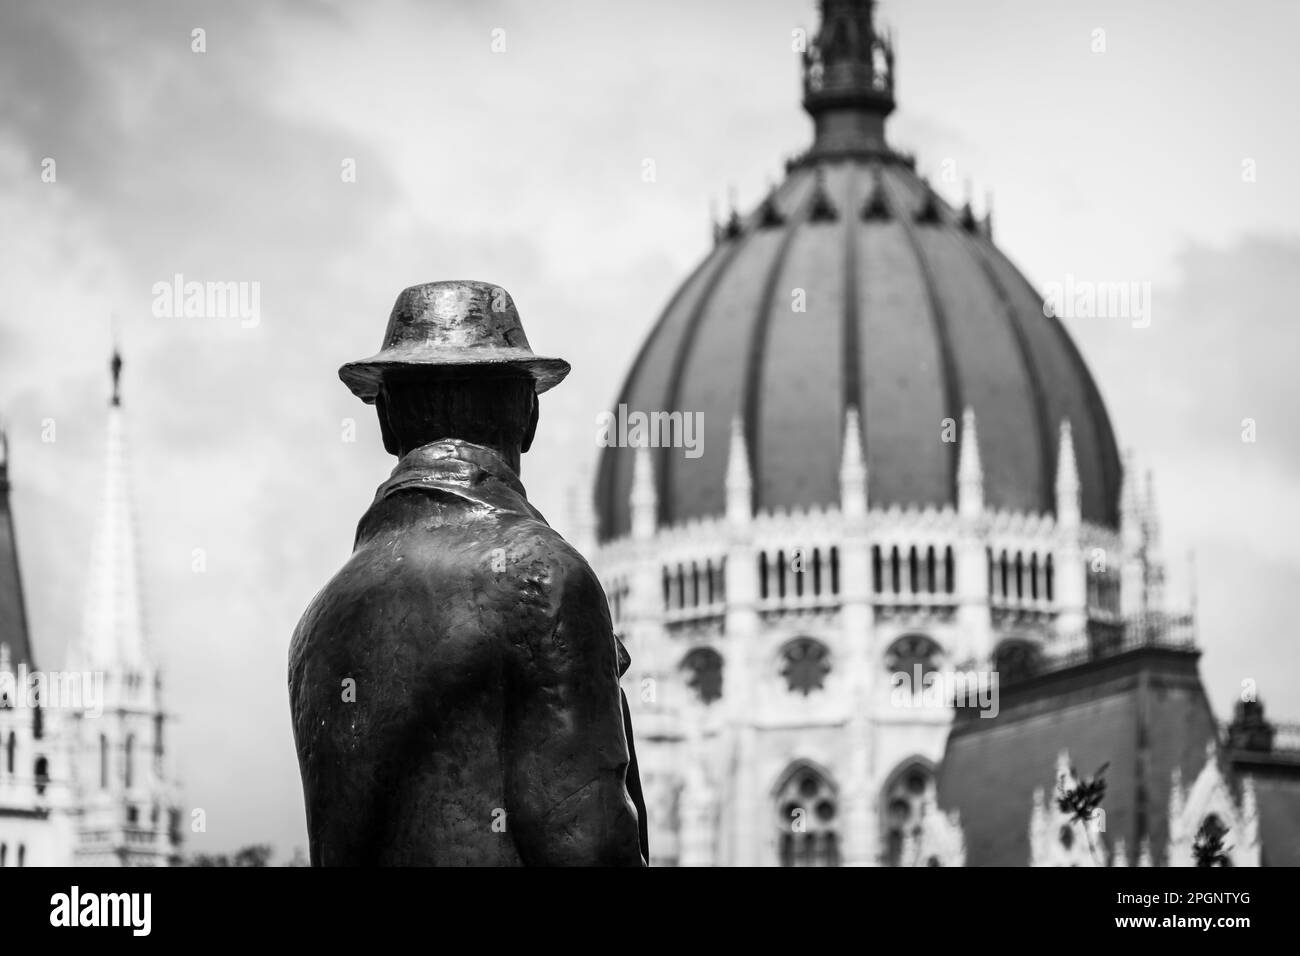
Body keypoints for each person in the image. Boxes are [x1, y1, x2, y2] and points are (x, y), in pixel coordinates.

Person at [289, 280, 648, 865]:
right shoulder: (538, 574)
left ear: (384, 423)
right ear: (529, 414)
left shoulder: (322, 617)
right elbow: (590, 841)